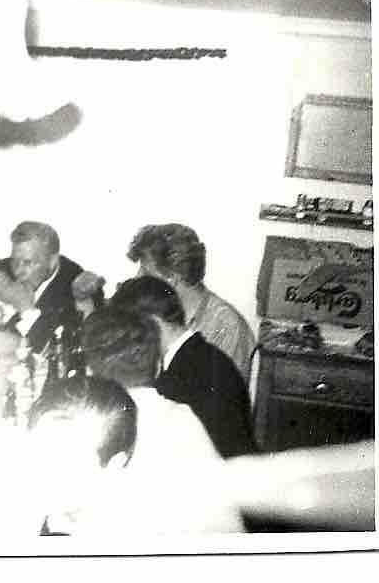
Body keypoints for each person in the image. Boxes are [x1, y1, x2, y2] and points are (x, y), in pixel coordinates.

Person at [28, 374, 243, 537]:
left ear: (114, 467)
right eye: (38, 452)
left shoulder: (129, 537)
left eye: (62, 465)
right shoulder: (59, 504)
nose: (40, 474)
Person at [109, 276, 257, 459]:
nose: (130, 343)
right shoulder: (201, 355)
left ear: (153, 323)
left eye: (131, 332)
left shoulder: (182, 377)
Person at [127, 223, 255, 381]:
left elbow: (223, 395)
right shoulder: (153, 314)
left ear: (172, 278)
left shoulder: (228, 327)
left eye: (145, 272)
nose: (137, 278)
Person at [0, 221, 83, 353]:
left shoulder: (78, 290)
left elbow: (54, 351)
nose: (18, 271)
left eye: (28, 263)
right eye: (15, 260)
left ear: (52, 262)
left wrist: (27, 310)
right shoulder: (3, 267)